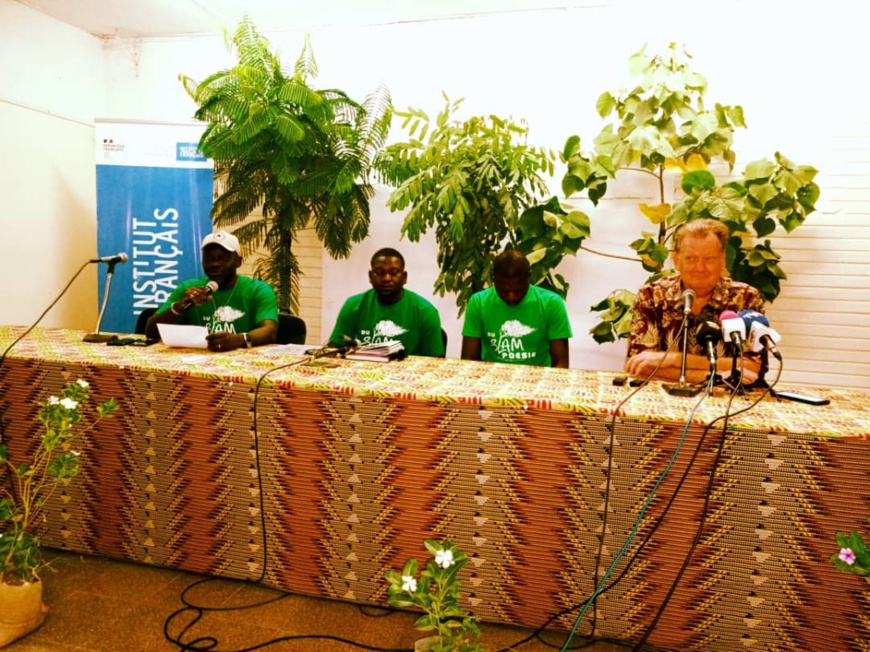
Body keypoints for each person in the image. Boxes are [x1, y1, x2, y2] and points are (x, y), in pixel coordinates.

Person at [624, 218, 765, 383]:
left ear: (723, 260)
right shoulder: (651, 296)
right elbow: (641, 365)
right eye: (690, 258)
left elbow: (752, 367)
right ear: (677, 261)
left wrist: (673, 359)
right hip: (666, 395)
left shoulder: (746, 298)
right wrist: (717, 376)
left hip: (726, 397)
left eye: (709, 259)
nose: (700, 267)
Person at [146, 230, 278, 351]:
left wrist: (238, 340)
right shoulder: (188, 289)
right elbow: (151, 331)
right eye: (209, 259)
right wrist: (178, 306)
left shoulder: (258, 290)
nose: (215, 264)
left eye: (224, 258)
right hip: (194, 361)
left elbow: (270, 330)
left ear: (238, 261)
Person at [461, 249, 572, 368]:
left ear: (529, 277)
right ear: (494, 279)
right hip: (490, 375)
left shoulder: (551, 303)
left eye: (518, 291)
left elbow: (561, 364)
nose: (511, 297)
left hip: (538, 377)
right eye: (503, 291)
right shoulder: (478, 302)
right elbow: (469, 360)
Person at [329, 247, 445, 357]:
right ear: (370, 276)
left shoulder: (426, 312)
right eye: (380, 272)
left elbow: (435, 362)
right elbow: (334, 350)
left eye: (393, 273)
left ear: (404, 277)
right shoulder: (353, 305)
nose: (386, 278)